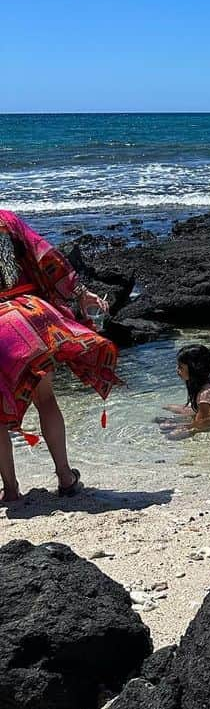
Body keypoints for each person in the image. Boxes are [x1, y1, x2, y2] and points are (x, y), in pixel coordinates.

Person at [0, 209, 117, 502]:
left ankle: (11, 490)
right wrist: (80, 292)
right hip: (32, 314)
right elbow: (47, 257)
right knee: (46, 398)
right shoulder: (7, 220)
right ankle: (65, 477)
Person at [160, 344, 210, 439]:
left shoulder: (205, 394)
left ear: (195, 370)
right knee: (168, 408)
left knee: (171, 436)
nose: (177, 370)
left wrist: (184, 427)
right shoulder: (199, 384)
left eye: (180, 367)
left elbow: (200, 422)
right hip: (205, 413)